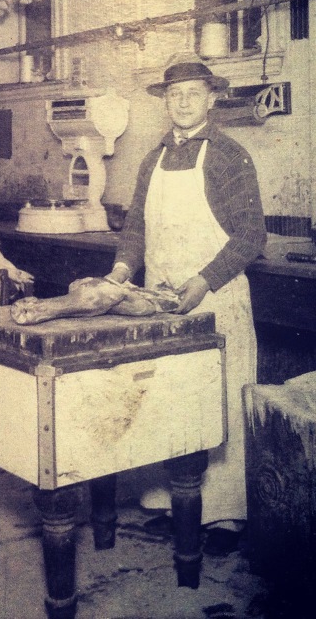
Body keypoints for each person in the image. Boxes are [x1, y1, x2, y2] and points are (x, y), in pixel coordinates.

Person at [106, 55, 266, 556]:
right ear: (165, 100)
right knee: (167, 400)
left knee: (215, 403)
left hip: (214, 300)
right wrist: (118, 274)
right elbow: (136, 229)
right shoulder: (152, 159)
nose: (182, 102)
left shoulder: (228, 155)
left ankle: (224, 516)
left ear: (212, 98)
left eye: (193, 93)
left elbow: (250, 236)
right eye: (175, 94)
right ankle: (168, 505)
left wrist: (204, 279)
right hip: (161, 302)